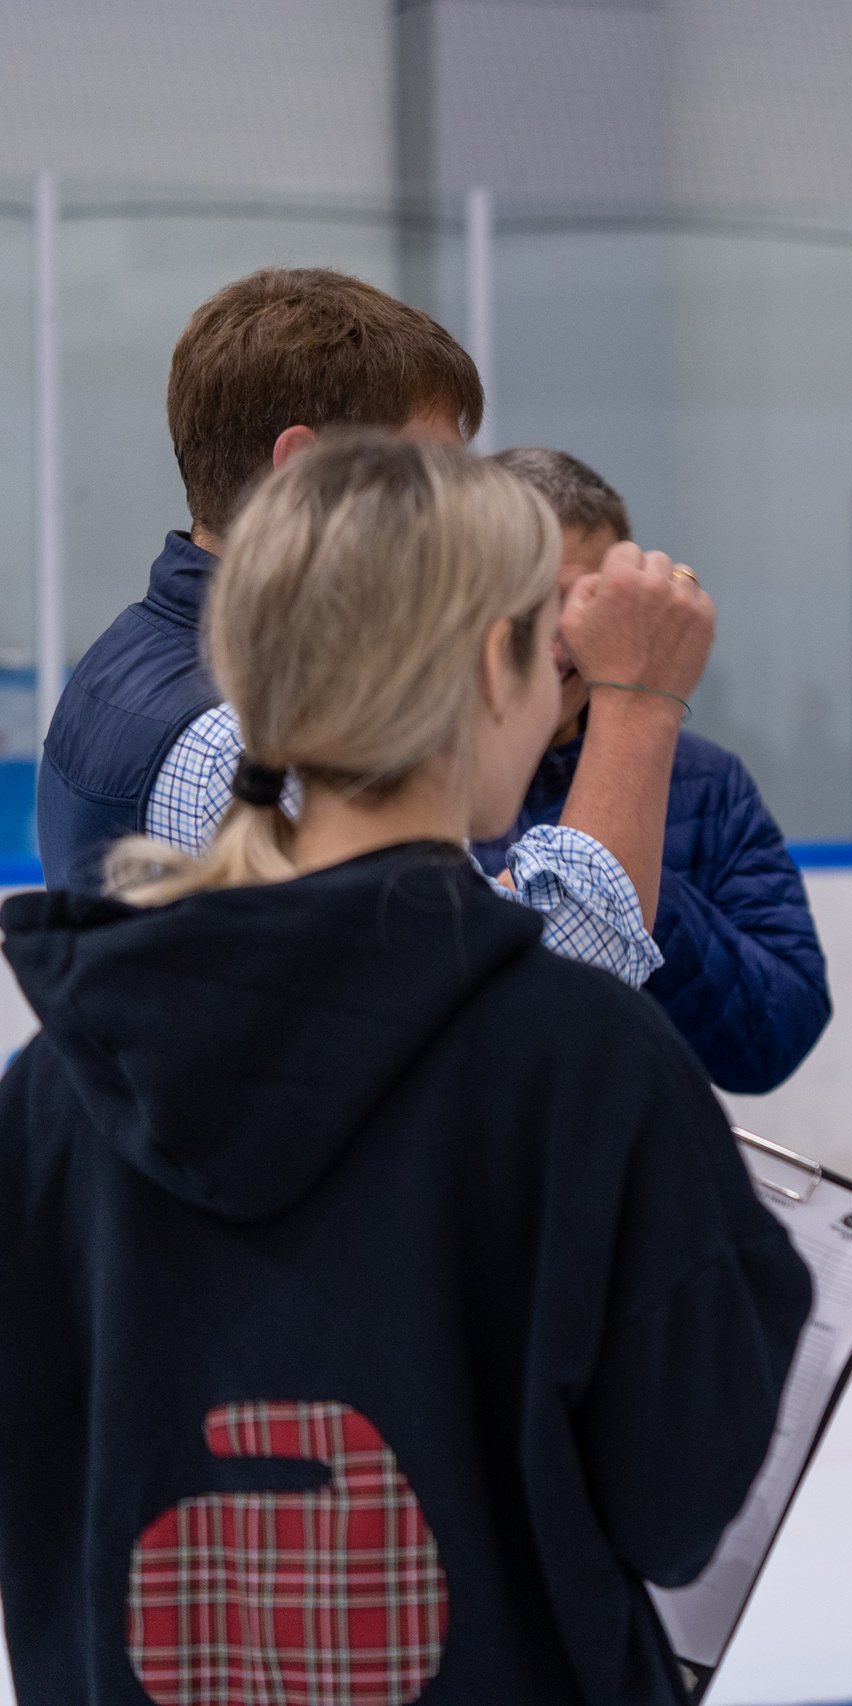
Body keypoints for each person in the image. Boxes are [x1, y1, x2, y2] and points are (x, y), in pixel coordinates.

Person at [0, 432, 810, 1702]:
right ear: (494, 665)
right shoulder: (584, 1061)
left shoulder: (60, 1081)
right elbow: (677, 1495)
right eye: (550, 650)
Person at [38, 267, 713, 990]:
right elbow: (523, 998)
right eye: (431, 478)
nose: (458, 517)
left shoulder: (138, 653)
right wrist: (637, 700)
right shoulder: (247, 739)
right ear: (305, 473)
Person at [477, 447, 830, 1094]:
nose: (560, 639)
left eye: (588, 603)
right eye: (527, 602)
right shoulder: (415, 776)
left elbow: (778, 1036)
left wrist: (630, 864)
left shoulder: (704, 781)